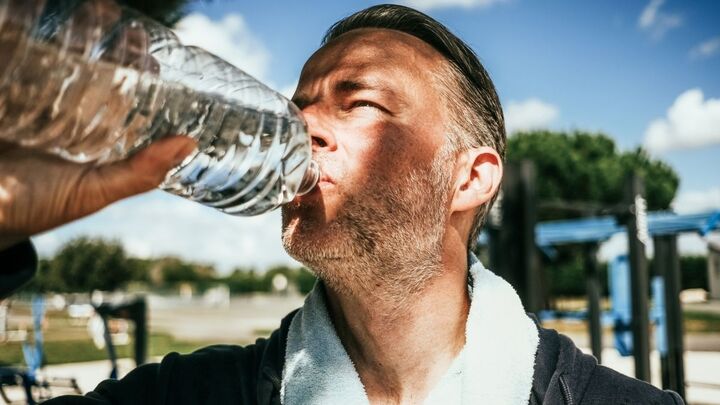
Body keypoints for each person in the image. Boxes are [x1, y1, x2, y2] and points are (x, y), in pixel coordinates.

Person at [0, 4, 683, 405]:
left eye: (360, 103)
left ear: (469, 179)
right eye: (299, 106)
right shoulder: (187, 397)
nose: (304, 127)